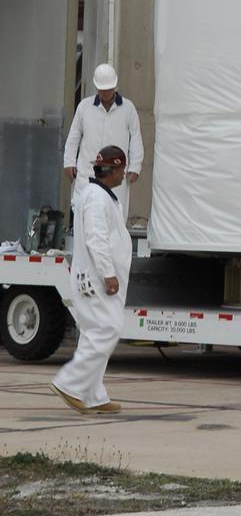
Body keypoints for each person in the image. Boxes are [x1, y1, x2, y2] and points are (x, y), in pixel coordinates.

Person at [51, 146, 132, 414]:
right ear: (115, 169)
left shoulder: (100, 195)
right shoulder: (97, 198)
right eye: (122, 169)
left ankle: (94, 394)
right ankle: (70, 384)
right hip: (95, 278)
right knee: (108, 329)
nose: (123, 175)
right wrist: (108, 274)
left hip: (93, 277)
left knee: (93, 334)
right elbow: (97, 239)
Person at [63, 64, 144, 220]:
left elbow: (135, 139)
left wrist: (135, 166)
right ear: (96, 87)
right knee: (83, 212)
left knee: (115, 214)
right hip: (87, 171)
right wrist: (69, 162)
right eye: (102, 89)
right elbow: (74, 136)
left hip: (115, 174)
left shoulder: (128, 109)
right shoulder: (84, 107)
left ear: (115, 86)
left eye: (108, 89)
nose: (105, 93)